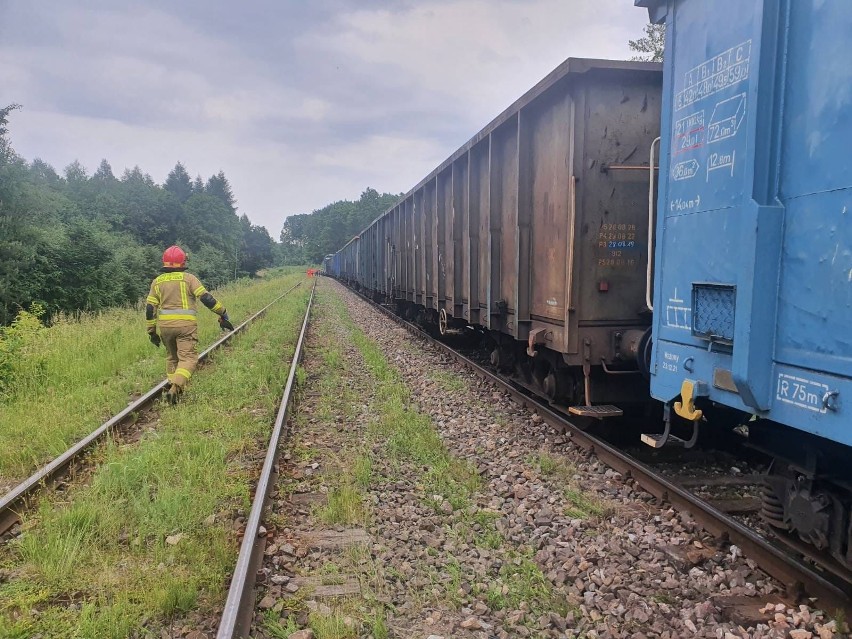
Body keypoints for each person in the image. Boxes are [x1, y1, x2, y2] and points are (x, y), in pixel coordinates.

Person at [145, 245, 234, 404]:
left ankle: (174, 387)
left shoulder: (156, 282)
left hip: (165, 328)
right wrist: (222, 312)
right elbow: (206, 298)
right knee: (188, 359)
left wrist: (151, 331)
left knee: (172, 358)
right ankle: (176, 388)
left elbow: (150, 308)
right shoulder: (189, 279)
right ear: (183, 262)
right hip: (186, 328)